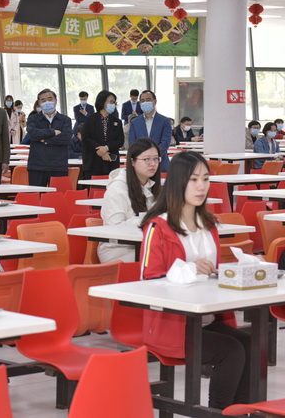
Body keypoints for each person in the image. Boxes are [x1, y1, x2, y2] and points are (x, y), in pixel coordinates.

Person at [140, 151, 250, 410]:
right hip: (171, 324)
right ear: (178, 181)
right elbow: (148, 280)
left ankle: (238, 412)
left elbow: (212, 273)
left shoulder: (208, 224)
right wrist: (189, 269)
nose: (201, 186)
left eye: (206, 179)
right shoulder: (158, 226)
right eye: (193, 180)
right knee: (231, 351)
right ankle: (217, 413)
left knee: (250, 343)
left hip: (205, 319)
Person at [98, 138, 161, 263]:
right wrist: (148, 219)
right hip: (117, 249)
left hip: (144, 244)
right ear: (132, 161)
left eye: (156, 159)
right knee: (162, 259)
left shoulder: (153, 186)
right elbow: (114, 227)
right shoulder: (118, 188)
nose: (152, 163)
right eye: (146, 159)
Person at [26, 88, 72, 187]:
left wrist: (46, 140)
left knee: (58, 195)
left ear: (56, 101)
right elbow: (33, 134)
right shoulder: (33, 119)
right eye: (43, 100)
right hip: (37, 166)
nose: (47, 102)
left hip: (59, 166)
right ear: (39, 103)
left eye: (50, 99)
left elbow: (66, 138)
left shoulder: (65, 120)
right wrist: (53, 132)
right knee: (36, 195)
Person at [81, 90, 124, 179]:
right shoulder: (90, 120)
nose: (113, 104)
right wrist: (100, 151)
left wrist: (106, 148)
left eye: (114, 102)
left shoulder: (117, 121)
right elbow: (86, 138)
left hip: (111, 162)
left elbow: (120, 141)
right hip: (93, 161)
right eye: (111, 101)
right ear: (102, 102)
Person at [128, 90, 172, 172]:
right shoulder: (135, 122)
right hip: (140, 165)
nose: (145, 102)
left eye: (148, 100)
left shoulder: (165, 121)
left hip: (160, 164)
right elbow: (132, 143)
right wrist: (143, 157)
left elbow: (165, 142)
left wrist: (152, 157)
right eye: (142, 101)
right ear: (140, 104)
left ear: (155, 102)